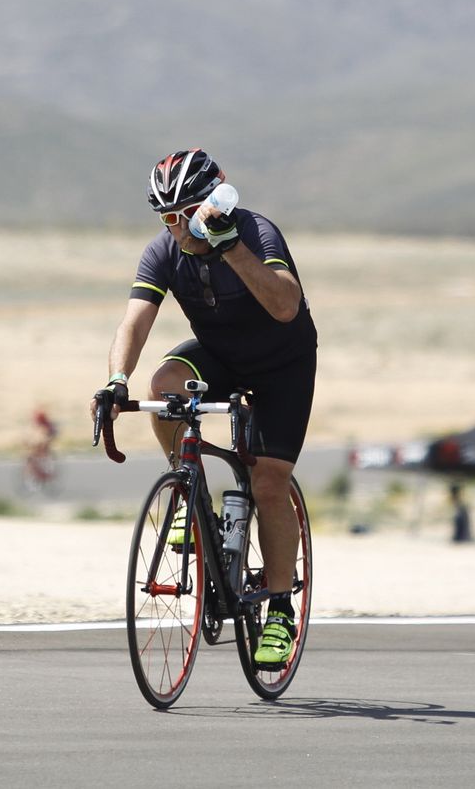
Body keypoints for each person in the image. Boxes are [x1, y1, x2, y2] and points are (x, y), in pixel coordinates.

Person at [90, 149, 318, 668]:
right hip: (221, 357)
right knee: (164, 384)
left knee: (268, 481)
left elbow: (285, 306)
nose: (179, 227)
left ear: (215, 201)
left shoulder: (257, 233)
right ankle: (187, 488)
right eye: (167, 217)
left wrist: (232, 248)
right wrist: (115, 381)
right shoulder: (163, 252)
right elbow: (135, 324)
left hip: (283, 364)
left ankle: (280, 607)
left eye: (188, 212)